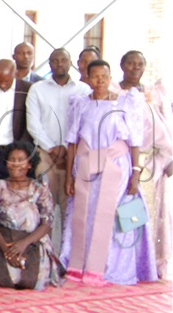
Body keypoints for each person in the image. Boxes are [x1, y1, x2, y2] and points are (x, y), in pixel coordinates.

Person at [62, 60, 155, 286]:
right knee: (86, 217)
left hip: (116, 167)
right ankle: (82, 266)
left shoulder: (124, 102)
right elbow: (72, 143)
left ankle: (110, 269)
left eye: (105, 76)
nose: (100, 81)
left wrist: (135, 173)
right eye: (95, 76)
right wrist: (68, 176)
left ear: (110, 77)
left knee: (114, 217)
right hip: (86, 169)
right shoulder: (81, 104)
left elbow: (134, 142)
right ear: (88, 78)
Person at [26, 48, 91, 249]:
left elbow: (87, 122)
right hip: (46, 153)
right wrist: (52, 148)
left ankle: (67, 252)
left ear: (71, 62)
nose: (59, 63)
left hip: (76, 153)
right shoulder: (37, 89)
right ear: (50, 63)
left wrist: (66, 148)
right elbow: (33, 123)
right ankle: (44, 250)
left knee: (70, 203)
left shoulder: (83, 90)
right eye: (55, 60)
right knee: (45, 202)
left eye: (64, 59)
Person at [118, 51, 173, 279]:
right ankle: (126, 263)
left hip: (148, 165)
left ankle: (147, 265)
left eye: (140, 64)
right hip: (120, 162)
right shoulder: (114, 93)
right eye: (130, 63)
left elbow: (165, 131)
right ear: (122, 65)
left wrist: (161, 163)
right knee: (123, 212)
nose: (135, 68)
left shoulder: (151, 95)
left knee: (144, 213)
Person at [0, 141, 63, 290]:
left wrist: (23, 244)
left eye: (21, 161)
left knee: (32, 281)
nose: (16, 164)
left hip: (31, 241)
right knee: (8, 279)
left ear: (30, 165)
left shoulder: (39, 189)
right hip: (3, 241)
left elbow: (47, 223)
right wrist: (7, 250)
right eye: (12, 160)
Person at [0, 59, 33, 179]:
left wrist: (22, 147)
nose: (2, 85)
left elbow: (30, 120)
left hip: (16, 147)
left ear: (15, 74)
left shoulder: (27, 89)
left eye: (7, 81)